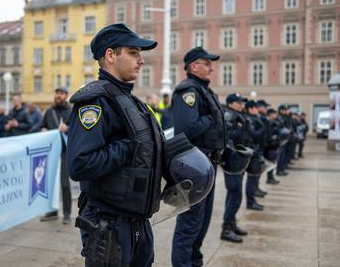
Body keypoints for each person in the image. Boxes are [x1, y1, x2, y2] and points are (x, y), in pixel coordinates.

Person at [67, 23, 163, 266]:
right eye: (133, 53)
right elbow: (80, 164)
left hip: (138, 221)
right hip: (109, 225)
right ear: (110, 55)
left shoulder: (132, 103)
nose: (141, 60)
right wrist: (129, 148)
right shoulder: (95, 103)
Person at [170, 47, 225, 267]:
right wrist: (211, 119)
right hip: (194, 167)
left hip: (207, 164)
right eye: (207, 63)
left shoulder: (203, 90)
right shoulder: (188, 91)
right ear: (194, 66)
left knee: (202, 223)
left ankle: (195, 262)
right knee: (190, 225)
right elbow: (187, 127)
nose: (212, 68)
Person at [39, 86, 73, 224]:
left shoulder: (71, 111)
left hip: (65, 152)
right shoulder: (49, 111)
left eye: (61, 93)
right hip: (51, 152)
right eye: (57, 93)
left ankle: (67, 213)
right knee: (50, 183)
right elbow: (42, 126)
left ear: (66, 95)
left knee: (65, 184)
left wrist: (68, 128)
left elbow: (78, 130)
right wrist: (43, 129)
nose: (58, 96)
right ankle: (52, 211)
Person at [221, 93, 250, 243]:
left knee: (233, 194)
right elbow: (228, 138)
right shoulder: (229, 116)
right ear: (231, 103)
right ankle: (226, 228)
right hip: (232, 160)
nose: (242, 105)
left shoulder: (237, 115)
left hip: (238, 159)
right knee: (235, 194)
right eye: (239, 102)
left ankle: (231, 224)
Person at [244, 100, 266, 211]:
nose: (257, 110)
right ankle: (250, 202)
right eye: (255, 108)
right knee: (252, 178)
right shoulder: (249, 119)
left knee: (254, 177)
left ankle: (252, 200)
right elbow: (255, 135)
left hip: (257, 151)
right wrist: (263, 128)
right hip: (252, 152)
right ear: (251, 109)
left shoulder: (255, 118)